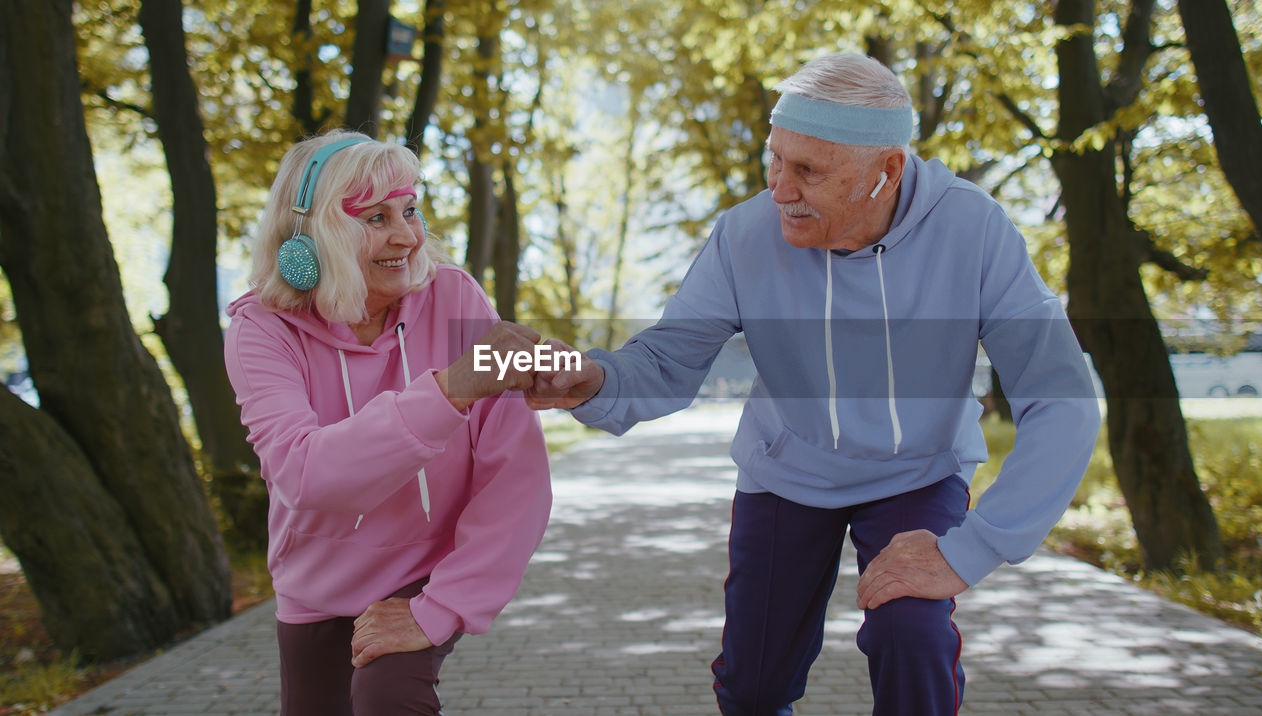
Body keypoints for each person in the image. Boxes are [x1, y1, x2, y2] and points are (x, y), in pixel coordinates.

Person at [527, 53, 1101, 715]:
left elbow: (1062, 397)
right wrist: (594, 380)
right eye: (775, 159)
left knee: (909, 633)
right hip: (788, 473)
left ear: (885, 173)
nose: (778, 188)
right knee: (755, 687)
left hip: (917, 472)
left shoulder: (972, 229)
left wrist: (976, 546)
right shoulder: (745, 237)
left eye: (807, 171)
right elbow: (663, 363)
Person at [224, 130, 552, 715]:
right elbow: (302, 474)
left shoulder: (457, 299)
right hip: (316, 588)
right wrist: (451, 389)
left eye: (410, 209)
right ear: (316, 232)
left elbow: (516, 477)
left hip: (425, 574)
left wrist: (439, 608)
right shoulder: (261, 330)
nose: (407, 235)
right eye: (376, 218)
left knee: (387, 699)